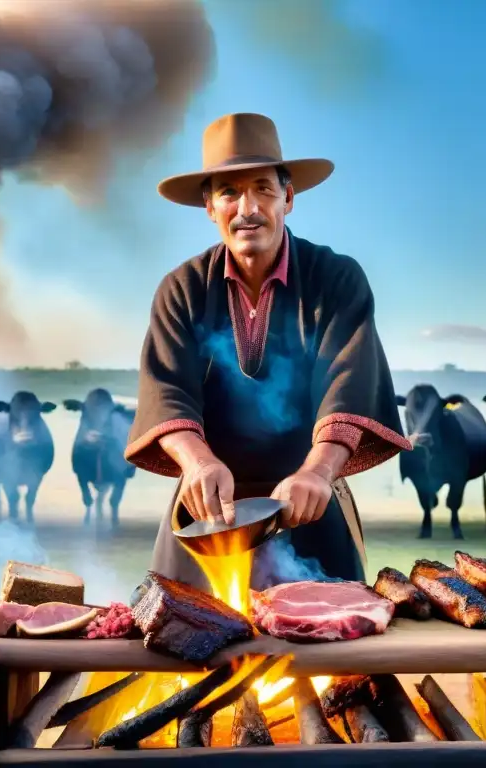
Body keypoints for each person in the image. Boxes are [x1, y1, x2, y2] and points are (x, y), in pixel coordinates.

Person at [124, 112, 411, 592]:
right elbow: (167, 390)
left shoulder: (336, 279)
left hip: (309, 502)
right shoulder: (181, 289)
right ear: (210, 208)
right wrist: (197, 462)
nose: (247, 208)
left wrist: (318, 471)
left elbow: (350, 382)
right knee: (184, 643)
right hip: (207, 513)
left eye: (263, 188)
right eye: (229, 193)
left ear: (289, 198)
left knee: (333, 657)